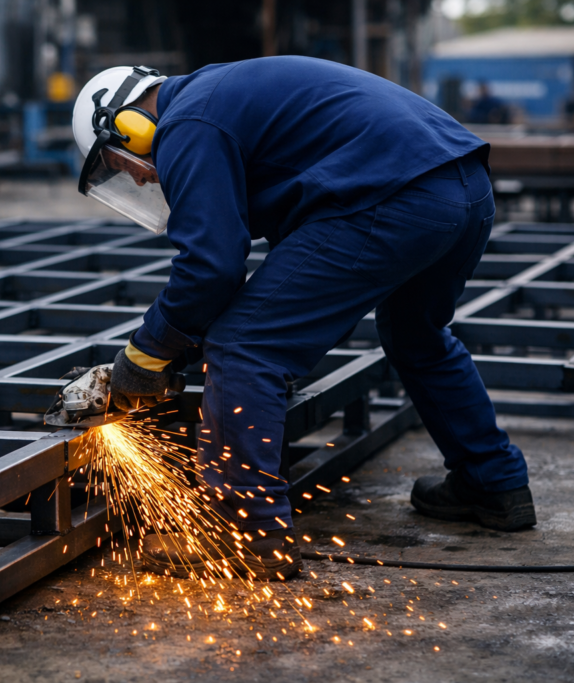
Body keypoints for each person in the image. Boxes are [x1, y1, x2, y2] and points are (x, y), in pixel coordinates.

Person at [71, 58, 535, 581]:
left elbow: (211, 265)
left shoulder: (187, 125)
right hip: (464, 190)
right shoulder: (218, 97)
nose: (134, 175)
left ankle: (245, 531)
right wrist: (183, 340)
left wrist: (144, 353)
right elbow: (244, 264)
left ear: (128, 124)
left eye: (118, 164)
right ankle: (493, 483)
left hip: (396, 197)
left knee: (244, 346)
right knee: (416, 334)